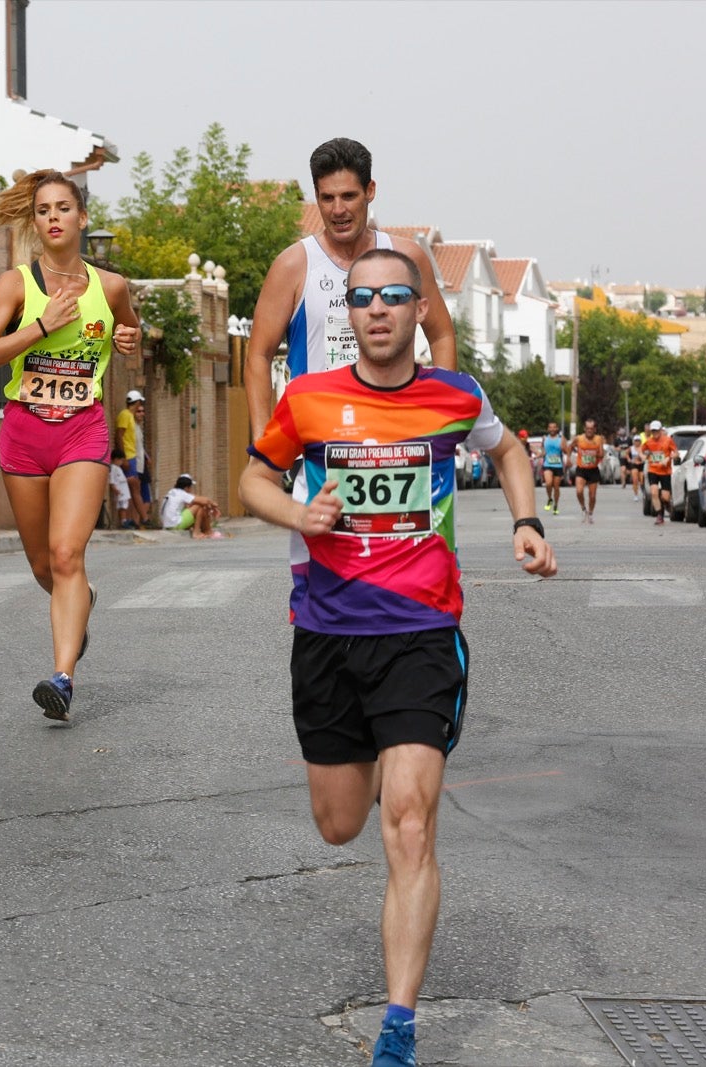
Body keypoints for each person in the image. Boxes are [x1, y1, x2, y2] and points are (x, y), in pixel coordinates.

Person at [240, 248, 556, 1067]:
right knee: (341, 823)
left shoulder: (455, 396)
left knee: (408, 826)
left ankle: (399, 1023)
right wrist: (299, 515)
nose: (377, 310)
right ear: (348, 315)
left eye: (393, 297)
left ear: (419, 311)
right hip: (328, 633)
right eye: (362, 299)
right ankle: (379, 754)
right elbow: (251, 481)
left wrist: (528, 523)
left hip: (420, 633)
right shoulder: (307, 400)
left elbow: (511, 450)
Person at [244, 138, 459, 617]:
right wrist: (264, 437)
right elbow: (257, 355)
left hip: (396, 437)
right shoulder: (294, 264)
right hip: (323, 443)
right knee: (323, 580)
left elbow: (442, 335)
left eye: (349, 196)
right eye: (327, 198)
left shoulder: (405, 258)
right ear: (316, 199)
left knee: (406, 568)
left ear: (371, 192)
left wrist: (437, 413)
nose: (338, 210)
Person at [0, 169, 140, 722]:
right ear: (35, 222)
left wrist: (129, 338)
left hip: (81, 430)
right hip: (24, 432)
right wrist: (40, 326)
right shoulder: (16, 285)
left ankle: (62, 678)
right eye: (43, 211)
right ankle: (79, 603)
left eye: (63, 208)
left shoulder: (109, 287)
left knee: (68, 554)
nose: (53, 218)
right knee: (44, 566)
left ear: (82, 217)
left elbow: (129, 332)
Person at [114, 390, 150, 526]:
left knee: (134, 487)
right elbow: (119, 435)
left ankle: (140, 518)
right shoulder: (125, 415)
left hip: (133, 455)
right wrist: (123, 457)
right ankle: (143, 518)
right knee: (133, 486)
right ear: (136, 402)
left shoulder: (129, 416)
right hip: (128, 456)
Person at [158, 474, 222, 538]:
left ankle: (206, 531)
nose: (191, 489)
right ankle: (198, 532)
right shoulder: (182, 494)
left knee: (194, 506)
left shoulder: (172, 492)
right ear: (186, 488)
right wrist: (214, 506)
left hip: (167, 524)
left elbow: (197, 498)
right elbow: (204, 501)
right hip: (175, 524)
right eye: (190, 487)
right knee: (199, 506)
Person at [571, 418, 608, 522]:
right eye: (587, 428)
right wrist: (569, 459)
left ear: (595, 429)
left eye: (591, 428)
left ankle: (590, 512)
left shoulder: (598, 439)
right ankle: (583, 508)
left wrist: (593, 453)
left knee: (592, 496)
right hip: (581, 469)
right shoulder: (579, 438)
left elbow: (601, 454)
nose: (589, 430)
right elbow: (570, 447)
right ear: (584, 429)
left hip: (593, 470)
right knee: (579, 491)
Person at [642, 420, 677, 524]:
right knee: (654, 492)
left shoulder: (668, 440)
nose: (655, 433)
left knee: (665, 497)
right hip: (653, 470)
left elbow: (676, 453)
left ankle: (667, 505)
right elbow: (641, 451)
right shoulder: (648, 441)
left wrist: (668, 458)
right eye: (653, 431)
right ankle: (659, 515)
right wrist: (643, 456)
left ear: (661, 430)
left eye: (657, 431)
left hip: (665, 471)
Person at [540, 420, 567, 513]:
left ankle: (556, 505)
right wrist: (538, 455)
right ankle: (549, 499)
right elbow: (543, 452)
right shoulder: (544, 438)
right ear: (548, 429)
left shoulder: (561, 438)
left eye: (554, 427)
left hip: (558, 465)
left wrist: (564, 448)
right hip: (547, 464)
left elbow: (566, 451)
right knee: (548, 483)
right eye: (550, 427)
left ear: (557, 428)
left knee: (556, 487)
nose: (552, 429)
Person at [108, 447, 135, 529]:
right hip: (121, 491)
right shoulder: (113, 468)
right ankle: (123, 521)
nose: (122, 462)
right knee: (122, 507)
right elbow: (112, 480)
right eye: (121, 460)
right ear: (116, 459)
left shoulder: (118, 468)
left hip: (123, 491)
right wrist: (115, 489)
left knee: (124, 506)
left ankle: (124, 520)